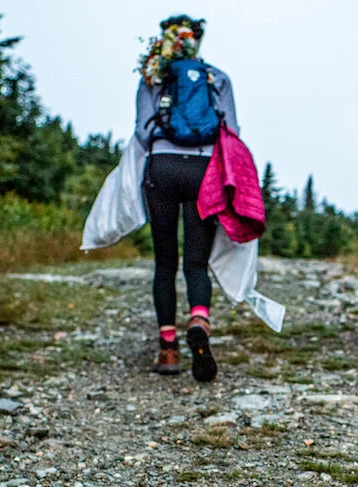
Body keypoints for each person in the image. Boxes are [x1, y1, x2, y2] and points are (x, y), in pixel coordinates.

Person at [135, 15, 238, 381]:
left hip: (162, 168)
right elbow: (232, 131)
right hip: (204, 172)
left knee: (165, 261)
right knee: (195, 262)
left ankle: (167, 350)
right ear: (197, 42)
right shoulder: (217, 78)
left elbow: (141, 131)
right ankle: (199, 319)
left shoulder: (153, 76)